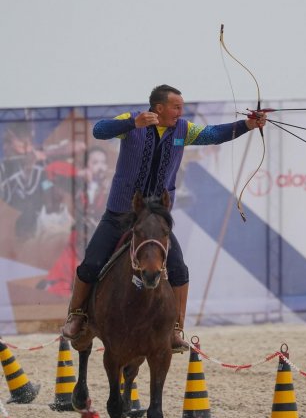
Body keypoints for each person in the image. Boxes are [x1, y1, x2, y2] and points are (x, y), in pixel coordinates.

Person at [61, 84, 267, 352]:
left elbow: (214, 134)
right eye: (176, 107)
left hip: (156, 220)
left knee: (179, 270)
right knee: (91, 264)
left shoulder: (183, 130)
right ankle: (77, 315)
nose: (181, 111)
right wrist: (133, 124)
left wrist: (247, 125)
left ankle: (175, 329)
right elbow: (99, 130)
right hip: (121, 214)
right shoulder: (131, 120)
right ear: (159, 108)